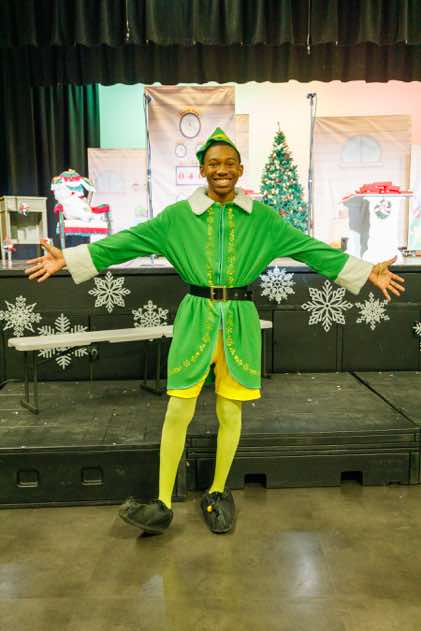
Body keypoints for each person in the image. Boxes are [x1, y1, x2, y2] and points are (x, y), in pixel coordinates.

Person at [25, 127, 405, 535]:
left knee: (230, 409)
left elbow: (309, 249)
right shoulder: (177, 218)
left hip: (239, 319)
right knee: (179, 407)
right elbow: (126, 242)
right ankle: (162, 502)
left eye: (228, 163)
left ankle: (219, 491)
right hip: (196, 316)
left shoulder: (263, 219)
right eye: (213, 164)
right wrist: (69, 259)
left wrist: (366, 272)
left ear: (240, 169)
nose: (221, 170)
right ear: (202, 170)